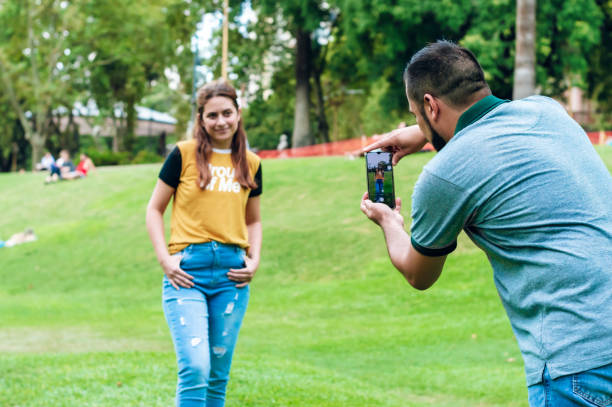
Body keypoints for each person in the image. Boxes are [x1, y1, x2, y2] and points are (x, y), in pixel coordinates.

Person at [360, 40, 612, 406]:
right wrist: (423, 132)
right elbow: (491, 122)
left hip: (576, 360)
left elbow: (419, 274)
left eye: (417, 113)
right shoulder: (548, 111)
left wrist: (388, 221)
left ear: (431, 106)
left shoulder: (444, 175)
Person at [146, 79, 262, 407]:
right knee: (196, 367)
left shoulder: (250, 163)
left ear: (238, 113)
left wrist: (254, 260)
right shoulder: (182, 155)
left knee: (217, 376)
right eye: (212, 115)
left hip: (231, 277)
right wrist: (165, 260)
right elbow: (154, 210)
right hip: (187, 274)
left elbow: (253, 219)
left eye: (227, 112)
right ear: (201, 119)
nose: (221, 121)